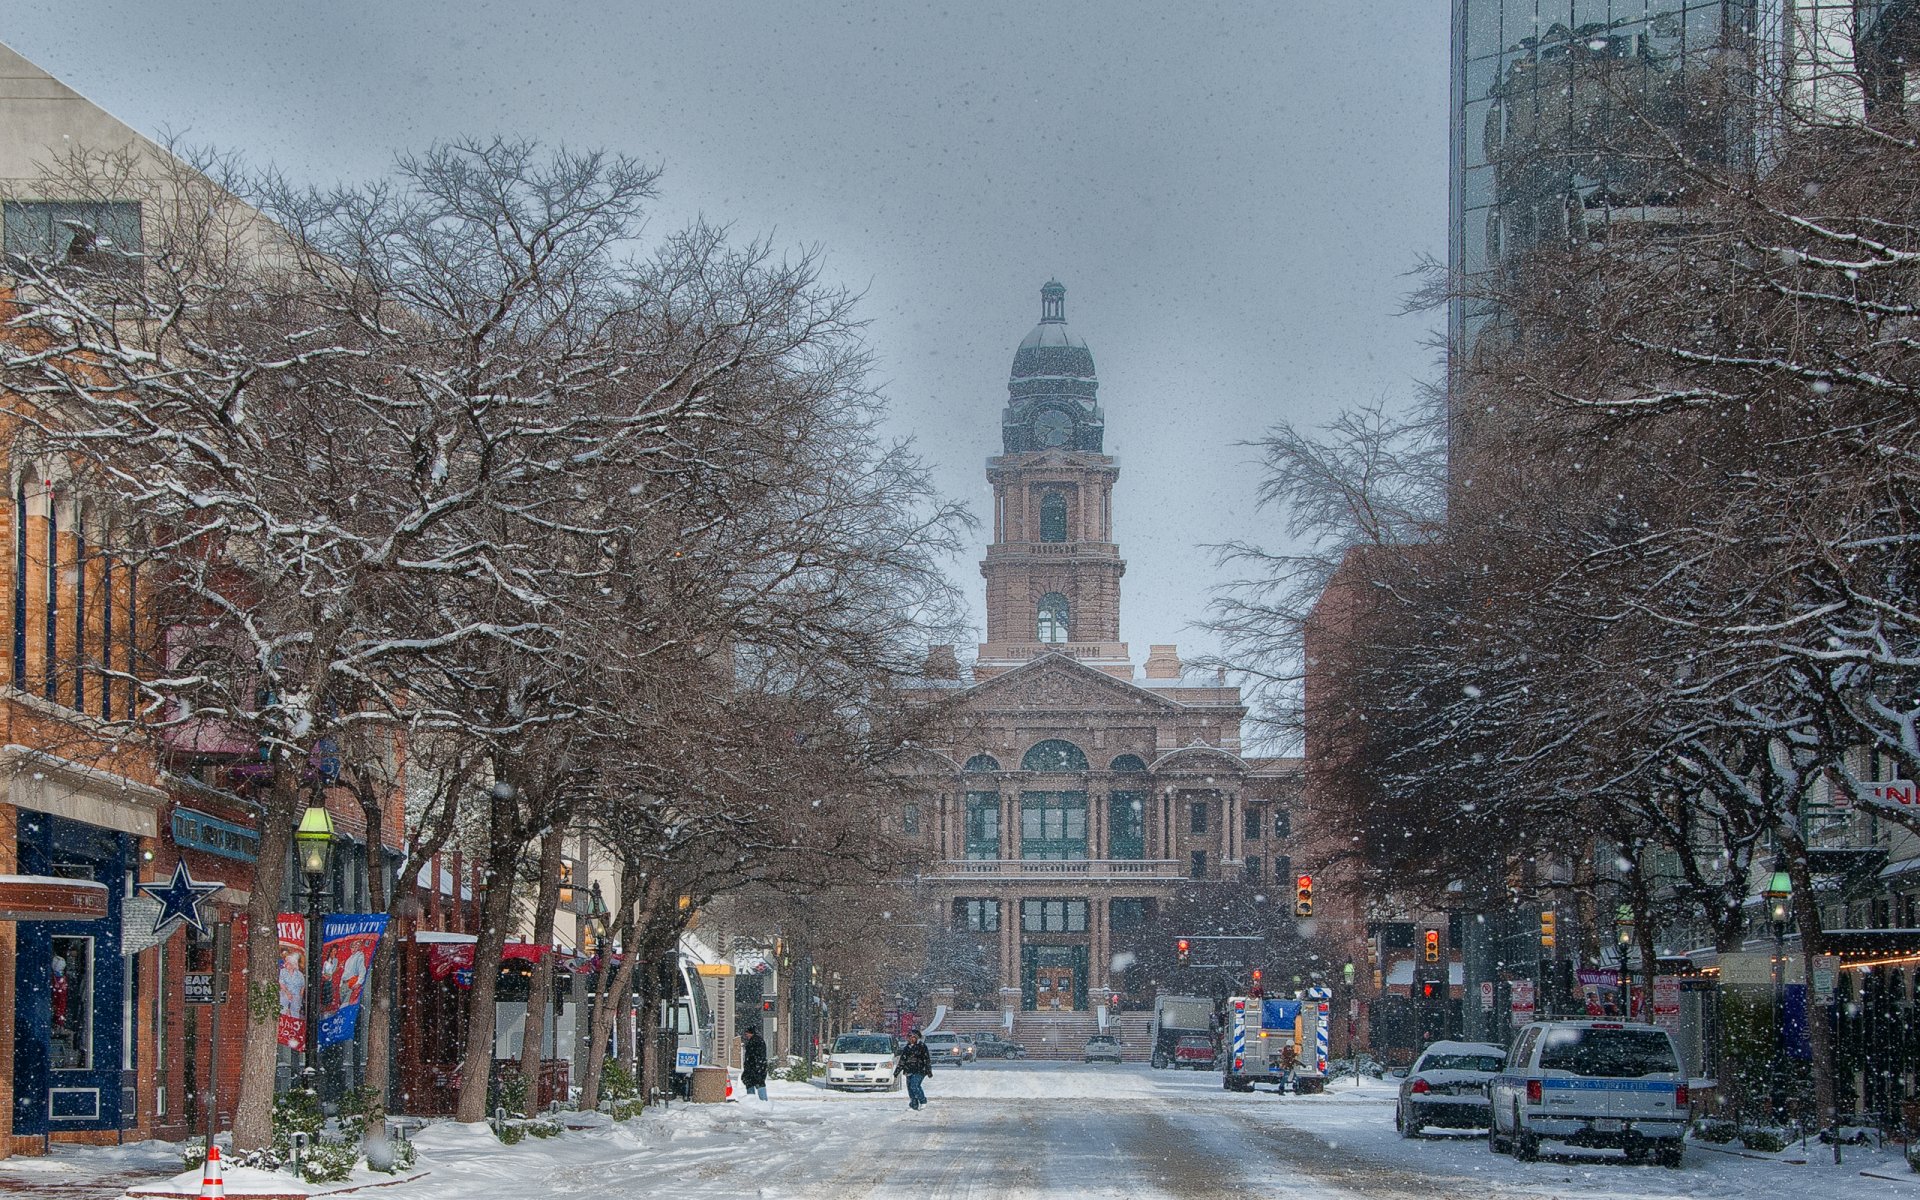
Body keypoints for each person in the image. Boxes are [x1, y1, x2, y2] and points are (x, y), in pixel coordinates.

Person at [894, 1029, 933, 1110]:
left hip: (920, 1070)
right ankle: (914, 1104)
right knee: (910, 1089)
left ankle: (923, 1101)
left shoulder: (922, 1047)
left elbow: (927, 1059)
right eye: (909, 1037)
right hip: (909, 1070)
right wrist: (897, 1072)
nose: (911, 1039)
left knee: (914, 1085)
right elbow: (902, 1061)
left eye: (913, 1037)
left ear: (917, 1038)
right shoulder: (907, 1048)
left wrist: (928, 1070)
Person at [740, 1026, 769, 1101]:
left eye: (747, 1034)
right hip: (756, 1066)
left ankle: (753, 1100)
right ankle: (761, 1100)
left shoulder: (754, 1041)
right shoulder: (758, 1040)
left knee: (753, 1082)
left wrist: (754, 1066)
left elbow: (755, 1055)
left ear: (751, 1033)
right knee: (758, 1083)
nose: (746, 1035)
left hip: (754, 1067)